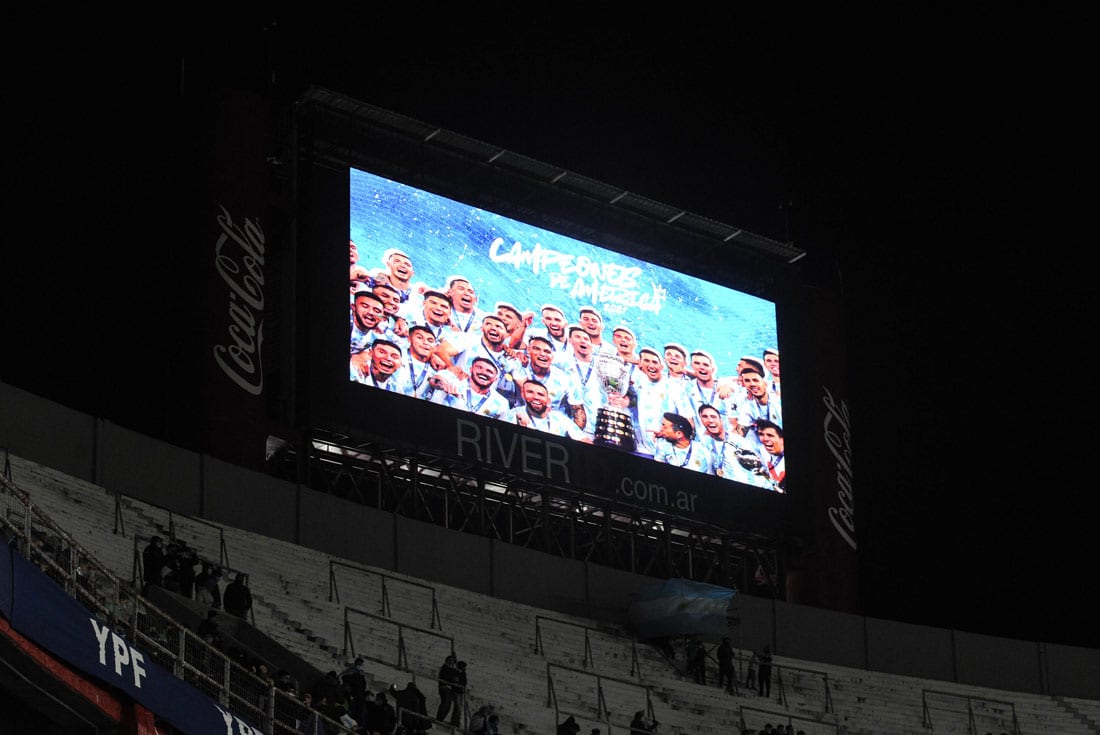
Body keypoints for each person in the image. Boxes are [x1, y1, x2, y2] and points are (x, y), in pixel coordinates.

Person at [430, 356, 511, 419]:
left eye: (489, 371)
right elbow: (434, 380)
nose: (483, 373)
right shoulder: (454, 380)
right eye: (479, 367)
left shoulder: (502, 402)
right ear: (471, 369)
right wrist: (442, 385)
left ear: (495, 379)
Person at [506, 379, 588, 440]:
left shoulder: (560, 418)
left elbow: (584, 440)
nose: (536, 397)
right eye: (530, 392)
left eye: (540, 394)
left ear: (548, 400)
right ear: (523, 395)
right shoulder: (512, 415)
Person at [755, 419, 786, 493]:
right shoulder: (762, 451)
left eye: (770, 435)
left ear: (782, 439)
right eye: (762, 434)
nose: (765, 439)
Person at [435, 653, 460, 724]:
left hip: (449, 689)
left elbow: (456, 674)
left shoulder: (450, 668)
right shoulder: (444, 668)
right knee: (445, 704)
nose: (451, 662)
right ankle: (439, 719)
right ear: (446, 661)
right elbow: (448, 677)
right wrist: (453, 679)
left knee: (448, 706)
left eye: (452, 661)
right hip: (444, 688)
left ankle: (440, 720)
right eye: (450, 660)